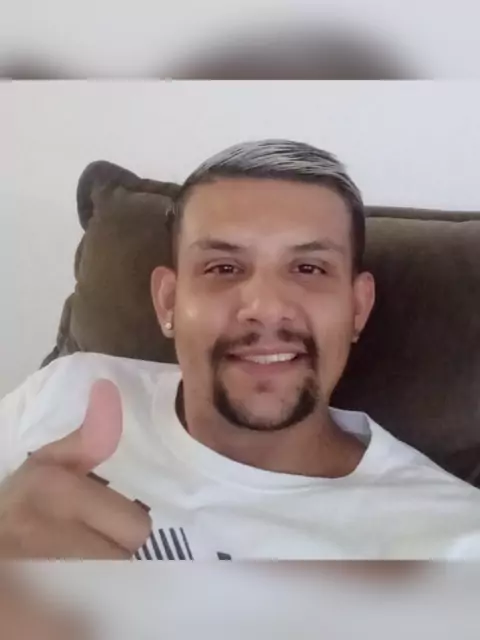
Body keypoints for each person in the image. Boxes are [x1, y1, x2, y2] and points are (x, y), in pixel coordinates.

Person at [1, 138, 480, 560]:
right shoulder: (66, 389)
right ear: (168, 301)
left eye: (309, 268)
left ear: (358, 308)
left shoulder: (455, 540)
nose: (266, 308)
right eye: (223, 268)